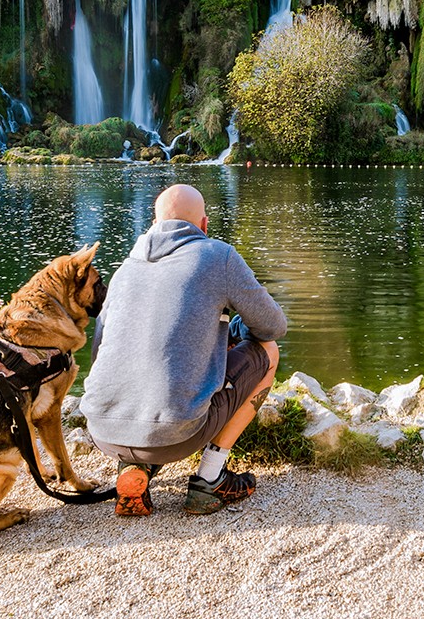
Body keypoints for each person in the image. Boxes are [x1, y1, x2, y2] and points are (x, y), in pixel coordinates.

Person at [80, 183, 286, 516]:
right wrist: (235, 331)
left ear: (154, 224)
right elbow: (273, 326)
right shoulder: (217, 256)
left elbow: (101, 352)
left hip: (104, 432)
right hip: (178, 433)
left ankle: (134, 468)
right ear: (204, 226)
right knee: (268, 351)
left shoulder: (124, 270)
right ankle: (211, 477)